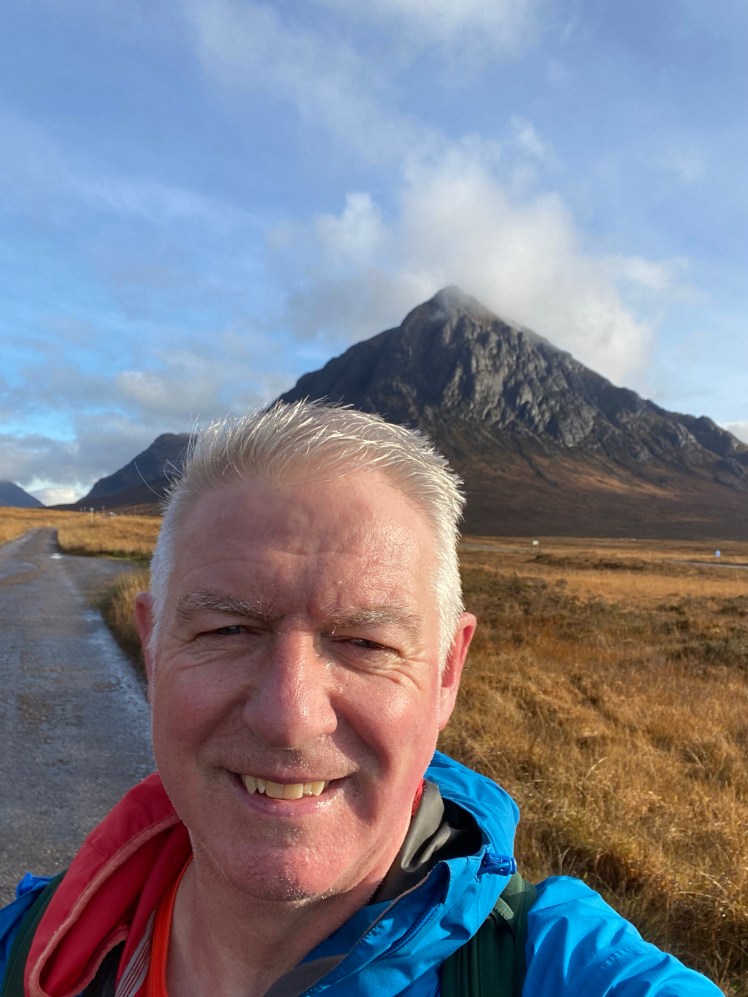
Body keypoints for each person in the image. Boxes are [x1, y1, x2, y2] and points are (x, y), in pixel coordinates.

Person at [0, 401, 723, 996]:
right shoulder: (28, 947)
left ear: (448, 671)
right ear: (153, 648)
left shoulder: (565, 972)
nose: (289, 717)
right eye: (228, 629)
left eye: (365, 643)